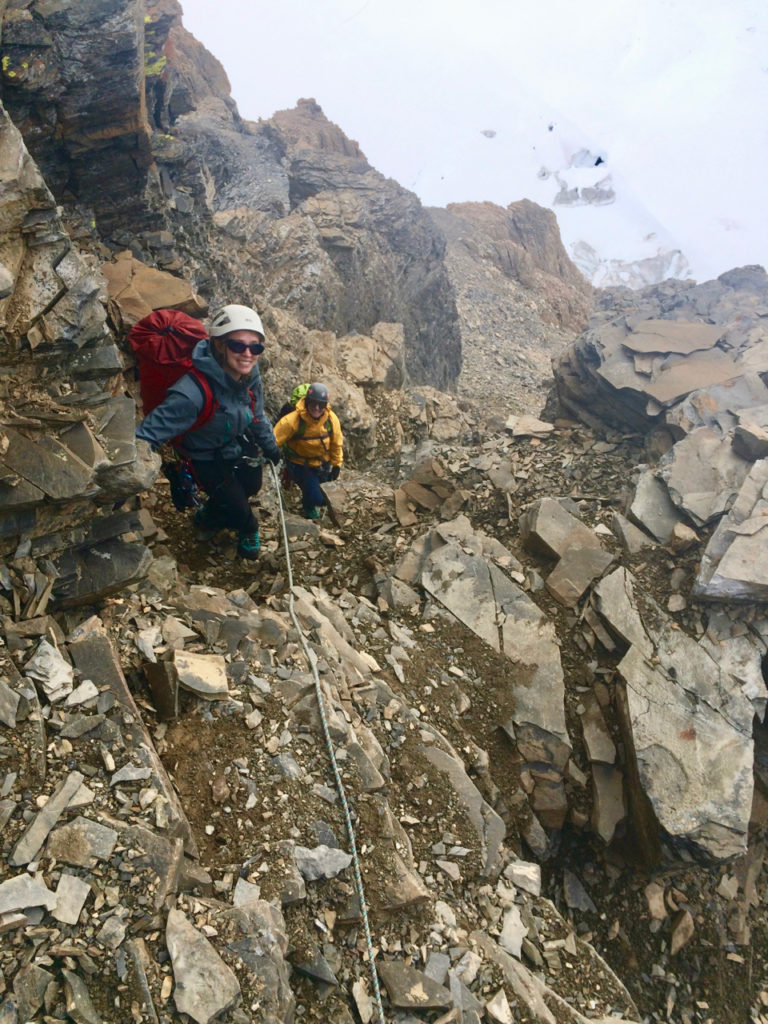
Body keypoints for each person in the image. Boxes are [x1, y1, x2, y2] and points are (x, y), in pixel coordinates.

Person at [136, 304, 281, 559]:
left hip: (237, 439)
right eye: (238, 345)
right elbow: (147, 434)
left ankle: (210, 515)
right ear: (219, 345)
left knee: (252, 484)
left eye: (255, 347)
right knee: (239, 507)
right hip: (205, 456)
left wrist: (270, 446)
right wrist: (126, 475)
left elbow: (256, 414)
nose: (248, 354)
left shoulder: (250, 374)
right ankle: (248, 529)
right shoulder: (191, 394)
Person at [273, 382, 343, 519]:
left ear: (326, 405)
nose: (317, 408)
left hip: (323, 463)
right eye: (313, 403)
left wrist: (337, 464)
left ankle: (307, 503)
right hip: (300, 464)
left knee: (325, 496)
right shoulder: (292, 420)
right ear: (306, 402)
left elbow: (336, 443)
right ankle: (308, 505)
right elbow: (274, 439)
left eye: (321, 405)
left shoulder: (331, 419)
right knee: (317, 498)